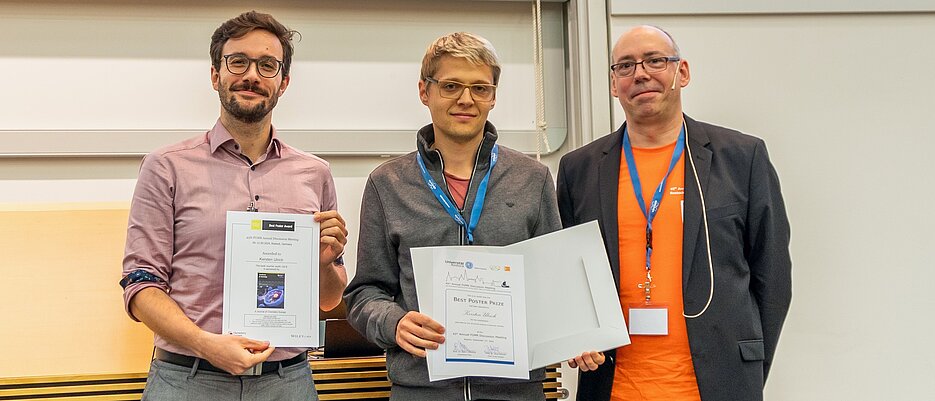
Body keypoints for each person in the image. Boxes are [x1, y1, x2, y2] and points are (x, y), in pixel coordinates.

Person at [343, 32, 604, 400]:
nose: (466, 99)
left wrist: (577, 336)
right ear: (424, 91)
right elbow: (365, 292)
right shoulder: (388, 184)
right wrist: (394, 322)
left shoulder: (532, 178)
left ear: (493, 97)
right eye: (451, 86)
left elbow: (557, 285)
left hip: (515, 392)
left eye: (480, 88)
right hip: (422, 391)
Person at [119, 11, 348, 401]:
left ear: (284, 83)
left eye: (267, 65)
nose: (252, 76)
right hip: (188, 380)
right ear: (215, 75)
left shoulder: (314, 173)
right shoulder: (166, 166)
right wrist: (207, 345)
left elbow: (329, 299)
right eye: (238, 61)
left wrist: (326, 263)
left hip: (287, 382)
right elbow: (140, 287)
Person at [556, 25, 792, 401]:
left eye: (655, 61)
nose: (641, 74)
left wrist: (744, 364)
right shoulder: (579, 169)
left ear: (681, 72)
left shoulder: (741, 158)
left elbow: (773, 276)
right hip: (613, 387)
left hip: (717, 385)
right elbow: (566, 273)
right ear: (614, 84)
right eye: (626, 66)